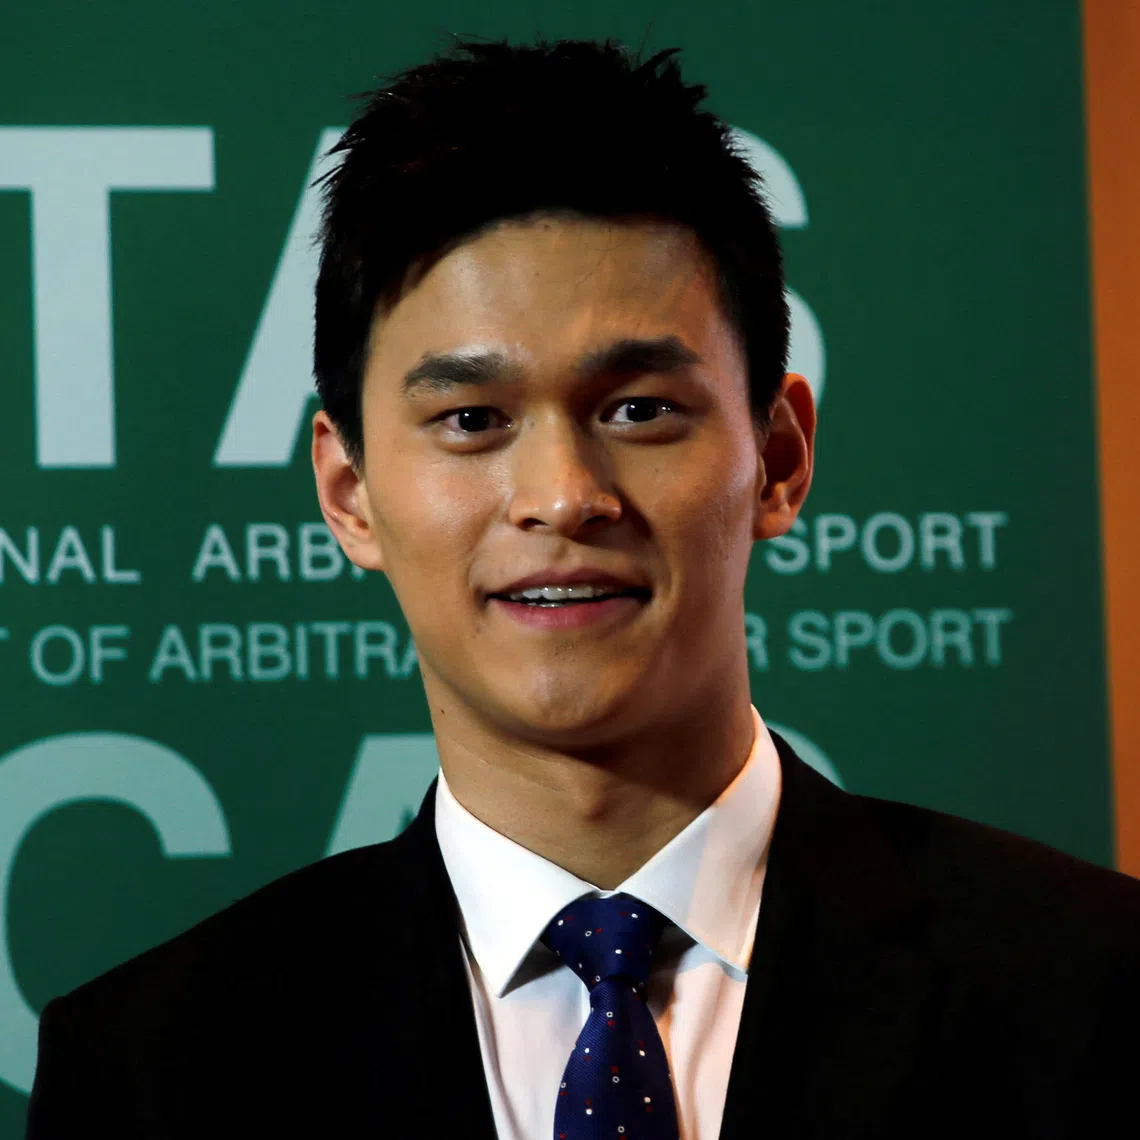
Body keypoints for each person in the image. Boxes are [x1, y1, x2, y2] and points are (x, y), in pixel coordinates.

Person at [26, 37, 1140, 1140]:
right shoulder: (154, 1070)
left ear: (781, 457)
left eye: (639, 409)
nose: (563, 497)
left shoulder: (1096, 992)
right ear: (349, 490)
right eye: (473, 421)